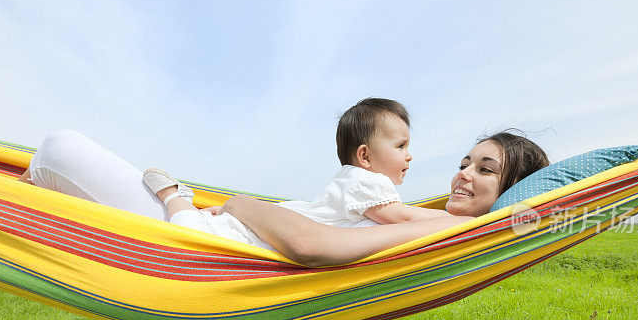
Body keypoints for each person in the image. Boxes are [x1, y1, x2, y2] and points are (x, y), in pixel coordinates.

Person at [19, 109, 548, 266]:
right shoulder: (436, 219)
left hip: (209, 243)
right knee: (55, 177)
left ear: (507, 192)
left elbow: (315, 244)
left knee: (58, 148)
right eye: (464, 162)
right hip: (216, 232)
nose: (462, 174)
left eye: (484, 171)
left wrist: (244, 204)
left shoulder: (447, 228)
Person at [142, 98, 456, 247]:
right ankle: (175, 197)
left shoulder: (353, 179)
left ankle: (195, 206)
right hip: (256, 235)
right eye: (401, 146)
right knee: (189, 238)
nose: (409, 155)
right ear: (365, 156)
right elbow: (403, 219)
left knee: (195, 232)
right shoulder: (368, 184)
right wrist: (463, 222)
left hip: (264, 226)